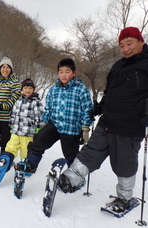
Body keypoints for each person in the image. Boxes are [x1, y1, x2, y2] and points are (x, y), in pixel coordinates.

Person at [57, 27, 148, 213]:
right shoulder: (117, 66)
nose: (125, 49)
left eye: (129, 43)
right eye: (121, 45)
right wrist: (98, 107)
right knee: (91, 151)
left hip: (130, 125)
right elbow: (109, 92)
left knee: (124, 163)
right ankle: (70, 179)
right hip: (107, 121)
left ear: (141, 41)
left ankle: (124, 198)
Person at [15, 58, 93, 173]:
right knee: (38, 141)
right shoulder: (53, 90)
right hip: (54, 124)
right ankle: (30, 165)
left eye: (67, 71)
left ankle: (75, 176)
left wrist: (85, 129)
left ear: (74, 73)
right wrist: (44, 123)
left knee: (71, 155)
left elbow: (87, 110)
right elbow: (48, 109)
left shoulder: (81, 90)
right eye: (61, 72)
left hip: (71, 129)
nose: (64, 75)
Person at [0, 78, 44, 168]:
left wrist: (38, 129)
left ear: (34, 90)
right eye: (26, 88)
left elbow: (39, 117)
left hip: (28, 133)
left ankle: (26, 165)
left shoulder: (36, 102)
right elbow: (13, 114)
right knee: (10, 147)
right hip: (15, 131)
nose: (28, 90)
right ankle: (6, 159)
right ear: (22, 89)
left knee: (25, 152)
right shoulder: (18, 101)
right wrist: (11, 125)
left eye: (30, 88)